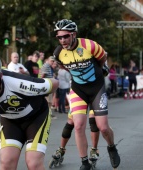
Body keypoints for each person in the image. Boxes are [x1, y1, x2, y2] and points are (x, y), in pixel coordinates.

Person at [0, 49, 59, 170]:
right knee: (7, 162)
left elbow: (54, 83)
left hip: (36, 118)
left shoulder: (19, 83)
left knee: (33, 163)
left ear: (0, 76)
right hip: (10, 120)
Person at [53, 19, 120, 170]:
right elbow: (65, 66)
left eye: (66, 36)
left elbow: (102, 59)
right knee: (78, 126)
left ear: (74, 34)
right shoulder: (59, 53)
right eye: (59, 37)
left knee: (103, 127)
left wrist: (99, 71)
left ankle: (111, 147)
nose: (63, 40)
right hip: (78, 90)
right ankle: (84, 163)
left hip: (96, 88)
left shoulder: (90, 45)